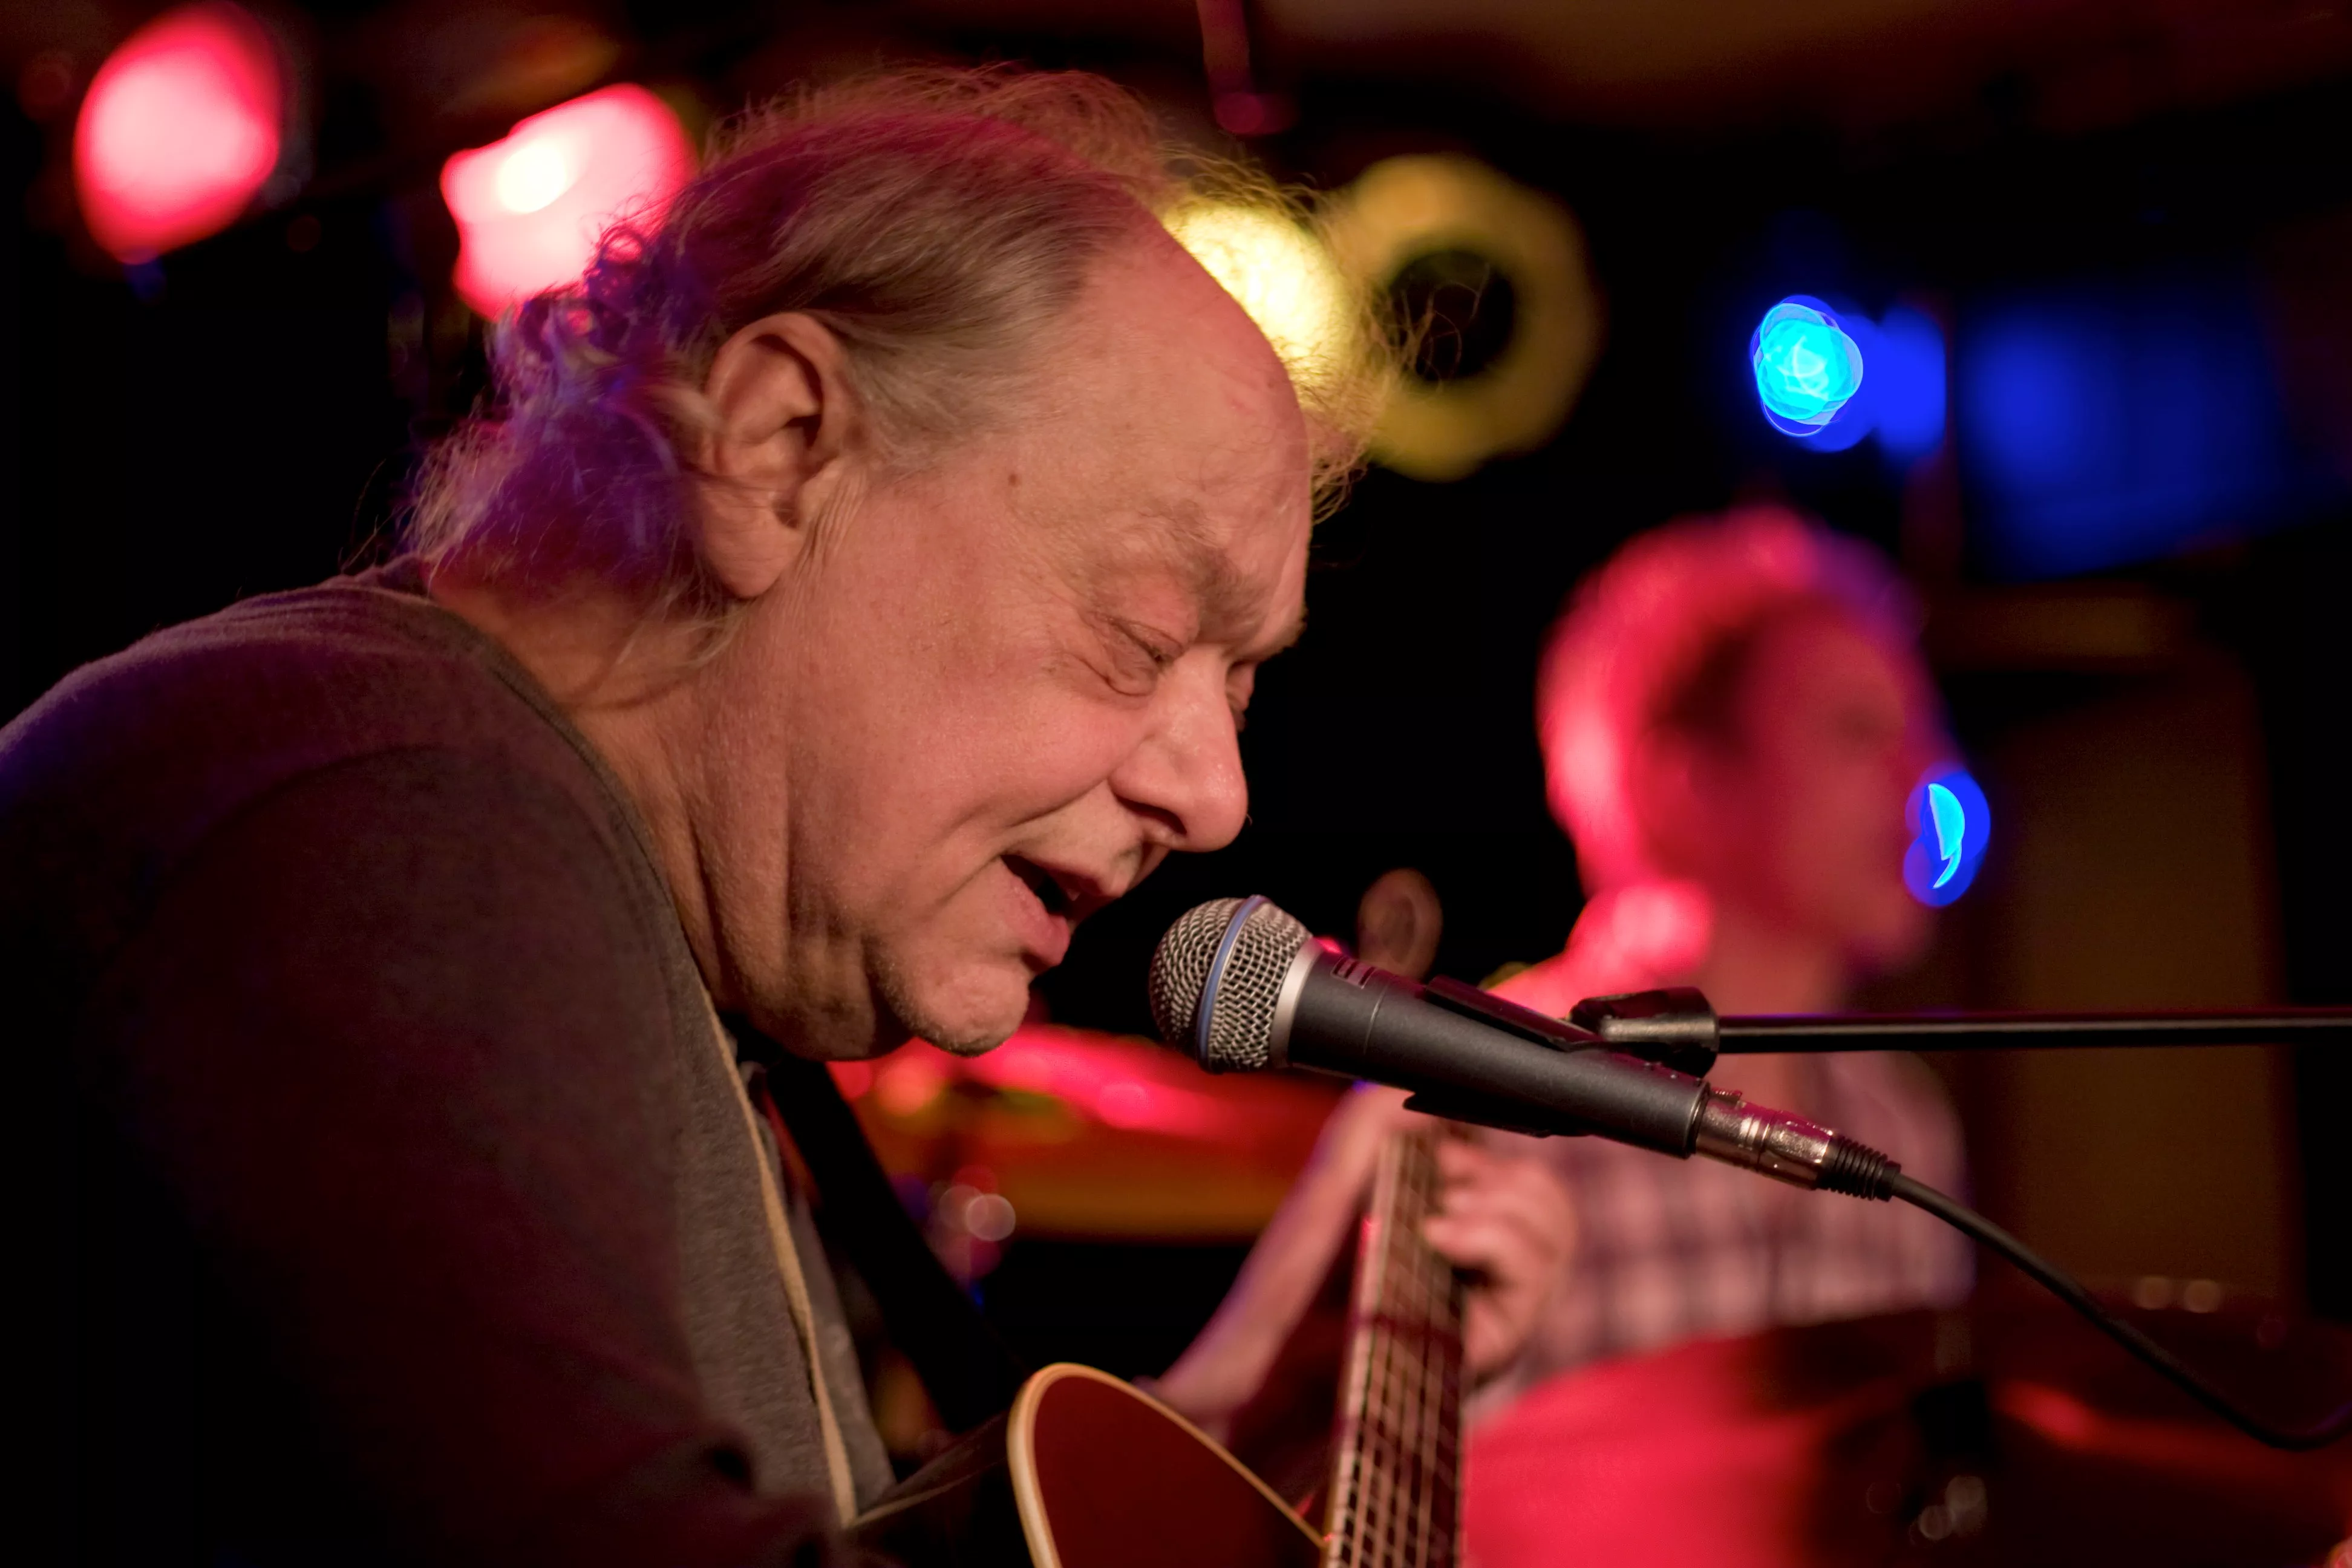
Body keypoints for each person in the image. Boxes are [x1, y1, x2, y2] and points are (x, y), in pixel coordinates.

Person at [5, 70, 1558, 1567]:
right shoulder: (368, 810)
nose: (1214, 799)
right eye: (1139, 637)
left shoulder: (654, 946)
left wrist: (1251, 1423)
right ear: (777, 447)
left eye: (1241, 686)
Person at [1484, 504, 1973, 1398]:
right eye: (1858, 731)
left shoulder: (1906, 1123)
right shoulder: (1498, 1090)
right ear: (1690, 785)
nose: (1922, 779)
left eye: (1918, 732)